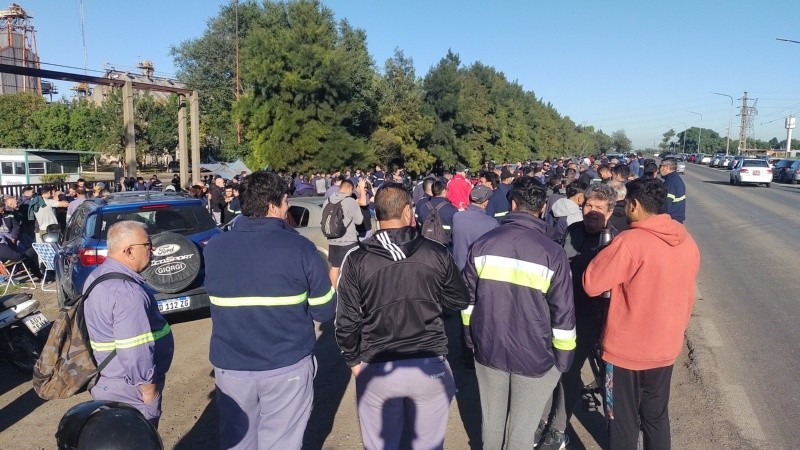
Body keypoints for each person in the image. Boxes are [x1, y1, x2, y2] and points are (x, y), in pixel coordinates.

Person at [204, 171, 335, 449]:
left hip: (232, 369)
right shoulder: (301, 248)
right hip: (286, 366)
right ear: (277, 204)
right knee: (282, 441)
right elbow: (324, 311)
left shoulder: (214, 247)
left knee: (238, 441)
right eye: (286, 202)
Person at [335, 182, 470, 450]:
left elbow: (345, 321)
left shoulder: (357, 258)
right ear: (409, 211)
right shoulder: (436, 252)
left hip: (379, 367)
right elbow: (460, 299)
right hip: (429, 363)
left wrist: (353, 360)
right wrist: (431, 299)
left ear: (376, 214)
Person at [583, 177, 700, 449]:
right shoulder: (687, 241)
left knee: (622, 421)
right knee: (656, 417)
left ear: (634, 204)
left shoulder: (630, 242)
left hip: (626, 352)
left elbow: (591, 283)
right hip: (665, 347)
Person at [462, 176, 575, 450]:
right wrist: (563, 361)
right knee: (522, 432)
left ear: (512, 204)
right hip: (536, 357)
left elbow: (467, 304)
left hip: (489, 349)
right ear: (544, 208)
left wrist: (470, 342)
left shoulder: (482, 245)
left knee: (492, 425)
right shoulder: (553, 253)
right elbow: (563, 315)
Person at [537, 183, 620, 449]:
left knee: (568, 370)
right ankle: (539, 420)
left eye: (598, 208)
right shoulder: (572, 231)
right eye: (588, 206)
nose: (591, 212)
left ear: (610, 212)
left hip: (593, 317)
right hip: (561, 311)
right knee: (550, 367)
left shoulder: (615, 240)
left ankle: (558, 428)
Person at [83, 221, 174, 429]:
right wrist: (148, 390)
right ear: (130, 251)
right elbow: (135, 350)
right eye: (148, 244)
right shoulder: (128, 294)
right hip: (131, 388)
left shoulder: (96, 277)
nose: (153, 249)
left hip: (107, 381)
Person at [323, 178, 366, 285]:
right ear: (349, 189)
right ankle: (346, 293)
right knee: (349, 268)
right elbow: (359, 220)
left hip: (332, 239)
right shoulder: (350, 201)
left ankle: (334, 292)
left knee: (334, 267)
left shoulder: (327, 200)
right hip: (348, 241)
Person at [452, 184, 498, 271]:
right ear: (485, 202)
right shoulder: (491, 223)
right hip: (476, 271)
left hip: (458, 268)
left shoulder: (457, 217)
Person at [416, 179, 458, 247]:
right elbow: (455, 231)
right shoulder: (452, 209)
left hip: (427, 244)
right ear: (444, 191)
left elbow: (419, 224)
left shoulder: (423, 207)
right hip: (445, 246)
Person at [658, 157, 686, 223]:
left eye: (660, 166)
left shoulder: (670, 183)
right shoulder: (676, 178)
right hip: (677, 220)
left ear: (667, 167)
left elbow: (665, 206)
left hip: (671, 220)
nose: (659, 169)